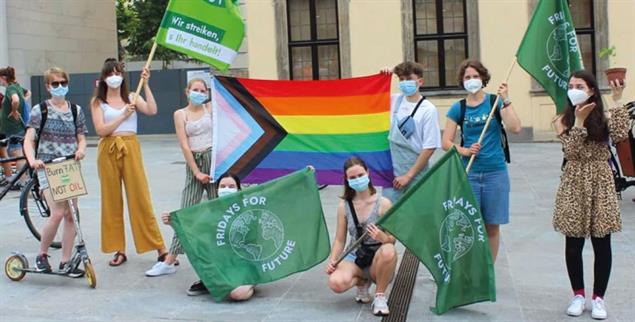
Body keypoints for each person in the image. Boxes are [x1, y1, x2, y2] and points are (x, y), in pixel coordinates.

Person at [553, 71, 629, 320]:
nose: (574, 89)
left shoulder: (604, 117)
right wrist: (577, 121)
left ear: (592, 90)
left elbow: (620, 136)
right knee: (573, 244)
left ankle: (598, 298)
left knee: (601, 242)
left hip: (601, 181)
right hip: (574, 181)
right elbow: (571, 152)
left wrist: (617, 100)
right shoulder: (562, 119)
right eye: (571, 85)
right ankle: (578, 294)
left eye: (580, 86)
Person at [441, 59, 521, 263]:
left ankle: (488, 269)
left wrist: (506, 99)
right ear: (462, 81)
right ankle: (470, 267)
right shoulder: (458, 108)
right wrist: (464, 150)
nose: (472, 80)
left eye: (475, 76)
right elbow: (445, 142)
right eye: (467, 77)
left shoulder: (495, 102)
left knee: (492, 225)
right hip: (469, 173)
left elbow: (515, 127)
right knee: (468, 223)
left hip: (495, 172)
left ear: (483, 78)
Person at [91, 58, 167, 266]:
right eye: (110, 74)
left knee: (140, 197)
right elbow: (100, 130)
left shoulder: (132, 97)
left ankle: (160, 247)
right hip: (108, 148)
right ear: (104, 78)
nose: (114, 77)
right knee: (112, 200)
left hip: (130, 147)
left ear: (122, 76)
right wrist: (122, 116)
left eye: (117, 73)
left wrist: (147, 84)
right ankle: (119, 249)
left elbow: (152, 110)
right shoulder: (98, 102)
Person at [145, 78, 214, 277]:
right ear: (187, 91)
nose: (199, 93)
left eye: (203, 90)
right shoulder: (180, 114)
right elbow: (184, 144)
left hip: (214, 161)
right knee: (185, 213)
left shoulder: (210, 109)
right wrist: (196, 171)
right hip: (195, 162)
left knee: (219, 209)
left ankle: (223, 255)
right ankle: (169, 261)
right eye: (196, 89)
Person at [23, 67, 87, 275]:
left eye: (63, 83)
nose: (60, 87)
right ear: (48, 87)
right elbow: (28, 140)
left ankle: (66, 261)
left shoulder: (76, 110)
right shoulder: (39, 110)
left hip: (69, 167)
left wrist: (81, 149)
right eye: (55, 84)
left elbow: (81, 137)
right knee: (58, 212)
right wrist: (33, 160)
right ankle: (42, 254)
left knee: (71, 215)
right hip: (47, 166)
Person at [161, 172, 256, 301]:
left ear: (239, 189)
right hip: (221, 264)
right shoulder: (210, 211)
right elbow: (192, 235)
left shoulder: (248, 211)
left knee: (238, 294)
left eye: (231, 186)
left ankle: (252, 281)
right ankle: (211, 280)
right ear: (217, 190)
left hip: (244, 264)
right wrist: (173, 223)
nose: (226, 189)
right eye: (223, 186)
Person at [326, 156, 397, 317]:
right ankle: (362, 282)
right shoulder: (344, 206)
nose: (357, 179)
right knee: (335, 283)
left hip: (378, 259)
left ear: (368, 173)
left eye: (360, 175)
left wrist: (382, 237)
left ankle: (379, 296)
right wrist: (333, 259)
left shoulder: (383, 203)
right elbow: (339, 239)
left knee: (388, 250)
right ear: (346, 179)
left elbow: (393, 239)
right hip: (355, 257)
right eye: (352, 177)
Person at [380, 62, 441, 203]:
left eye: (409, 79)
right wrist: (384, 75)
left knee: (416, 216)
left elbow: (429, 147)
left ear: (420, 81)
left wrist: (408, 176)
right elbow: (373, 97)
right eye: (401, 79)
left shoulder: (428, 109)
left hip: (416, 173)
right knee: (389, 216)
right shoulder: (394, 100)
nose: (404, 83)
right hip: (392, 174)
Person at [0, 66, 28, 189]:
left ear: (4, 78)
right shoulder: (17, 86)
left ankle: (23, 183)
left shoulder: (10, 88)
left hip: (13, 127)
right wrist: (23, 104)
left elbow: (15, 100)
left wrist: (14, 110)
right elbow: (28, 93)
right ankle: (23, 181)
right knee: (18, 153)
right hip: (17, 126)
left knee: (17, 154)